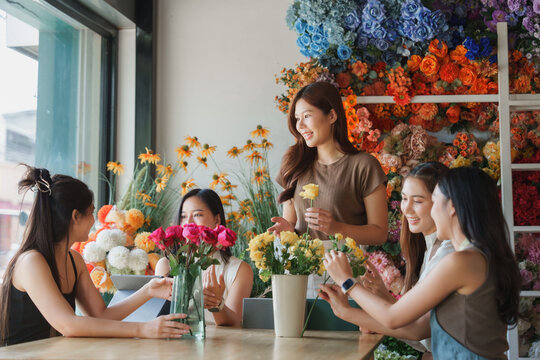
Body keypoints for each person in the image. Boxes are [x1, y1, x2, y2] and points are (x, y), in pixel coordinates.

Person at [321, 166, 521, 359]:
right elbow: (419, 326)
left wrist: (347, 281)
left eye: (434, 201)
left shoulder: (461, 261)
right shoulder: (480, 255)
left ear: (452, 207)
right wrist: (348, 310)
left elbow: (393, 317)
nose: (433, 213)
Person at [0, 166, 189, 346]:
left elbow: (100, 315)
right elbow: (68, 325)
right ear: (75, 216)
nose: (94, 221)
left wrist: (148, 291)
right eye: (91, 212)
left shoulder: (74, 259)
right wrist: (143, 329)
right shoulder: (31, 261)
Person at [320, 162, 453, 358]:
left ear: (444, 202)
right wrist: (384, 297)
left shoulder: (448, 252)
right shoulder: (429, 248)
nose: (406, 208)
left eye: (417, 201)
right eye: (405, 199)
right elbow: (419, 333)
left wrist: (347, 288)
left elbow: (419, 330)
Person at [268, 81, 388, 297]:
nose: (300, 126)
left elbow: (379, 233)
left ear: (332, 116)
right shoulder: (293, 164)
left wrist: (336, 227)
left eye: (306, 116)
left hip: (348, 273)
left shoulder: (363, 165)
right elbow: (293, 226)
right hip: (301, 272)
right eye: (297, 119)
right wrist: (287, 231)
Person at [155, 188, 253, 326]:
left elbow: (234, 323)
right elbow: (159, 317)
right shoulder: (166, 265)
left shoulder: (239, 270)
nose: (188, 222)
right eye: (183, 216)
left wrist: (215, 303)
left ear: (217, 219)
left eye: (197, 215)